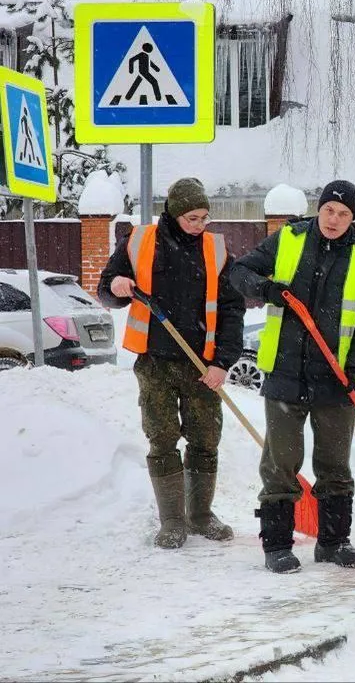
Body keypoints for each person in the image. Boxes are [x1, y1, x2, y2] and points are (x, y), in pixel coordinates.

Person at [229, 180, 355, 574]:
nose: (334, 219)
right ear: (320, 208)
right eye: (329, 210)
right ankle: (277, 545)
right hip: (286, 373)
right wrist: (267, 289)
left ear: (353, 218)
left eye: (344, 214)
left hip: (335, 378)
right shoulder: (290, 239)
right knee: (280, 463)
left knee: (335, 464)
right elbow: (239, 271)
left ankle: (334, 542)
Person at [97, 178, 245, 549]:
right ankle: (173, 521)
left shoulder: (215, 250)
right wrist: (116, 286)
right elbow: (106, 287)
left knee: (205, 438)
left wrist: (222, 362)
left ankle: (200, 515)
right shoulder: (139, 241)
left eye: (204, 217)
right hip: (155, 363)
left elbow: (232, 309)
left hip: (202, 365)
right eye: (192, 218)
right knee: (162, 438)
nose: (199, 225)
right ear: (175, 213)